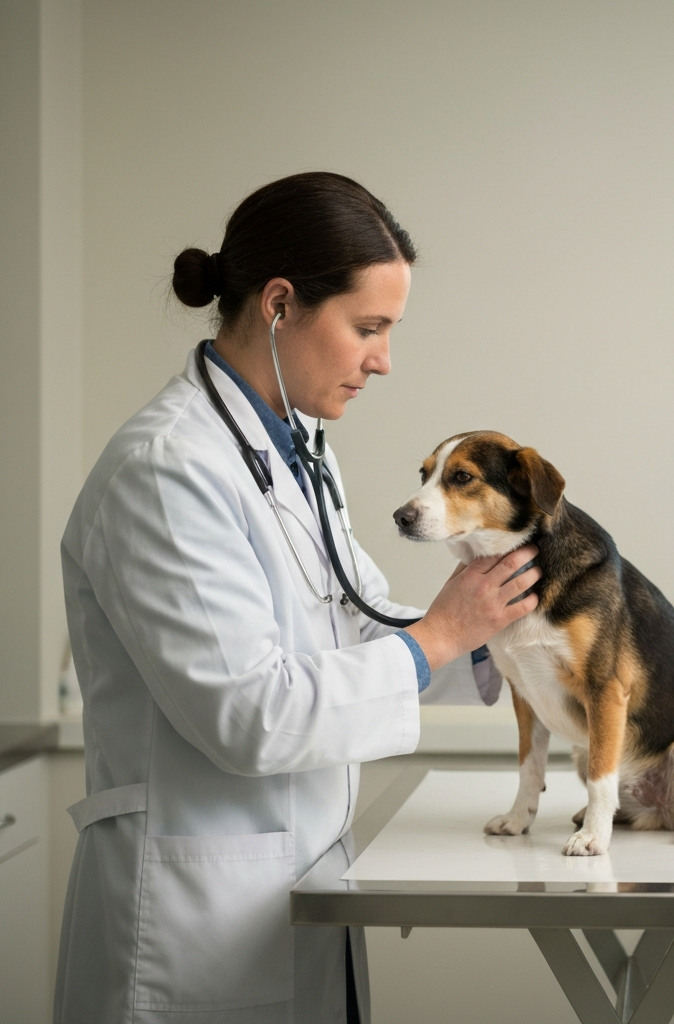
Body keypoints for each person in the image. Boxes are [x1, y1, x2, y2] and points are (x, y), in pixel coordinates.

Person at [53, 171, 541, 1024]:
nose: (383, 359)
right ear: (280, 305)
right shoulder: (167, 469)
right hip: (192, 930)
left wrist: (498, 626)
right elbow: (251, 713)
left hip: (299, 888)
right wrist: (436, 639)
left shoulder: (297, 449)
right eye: (368, 327)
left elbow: (359, 616)